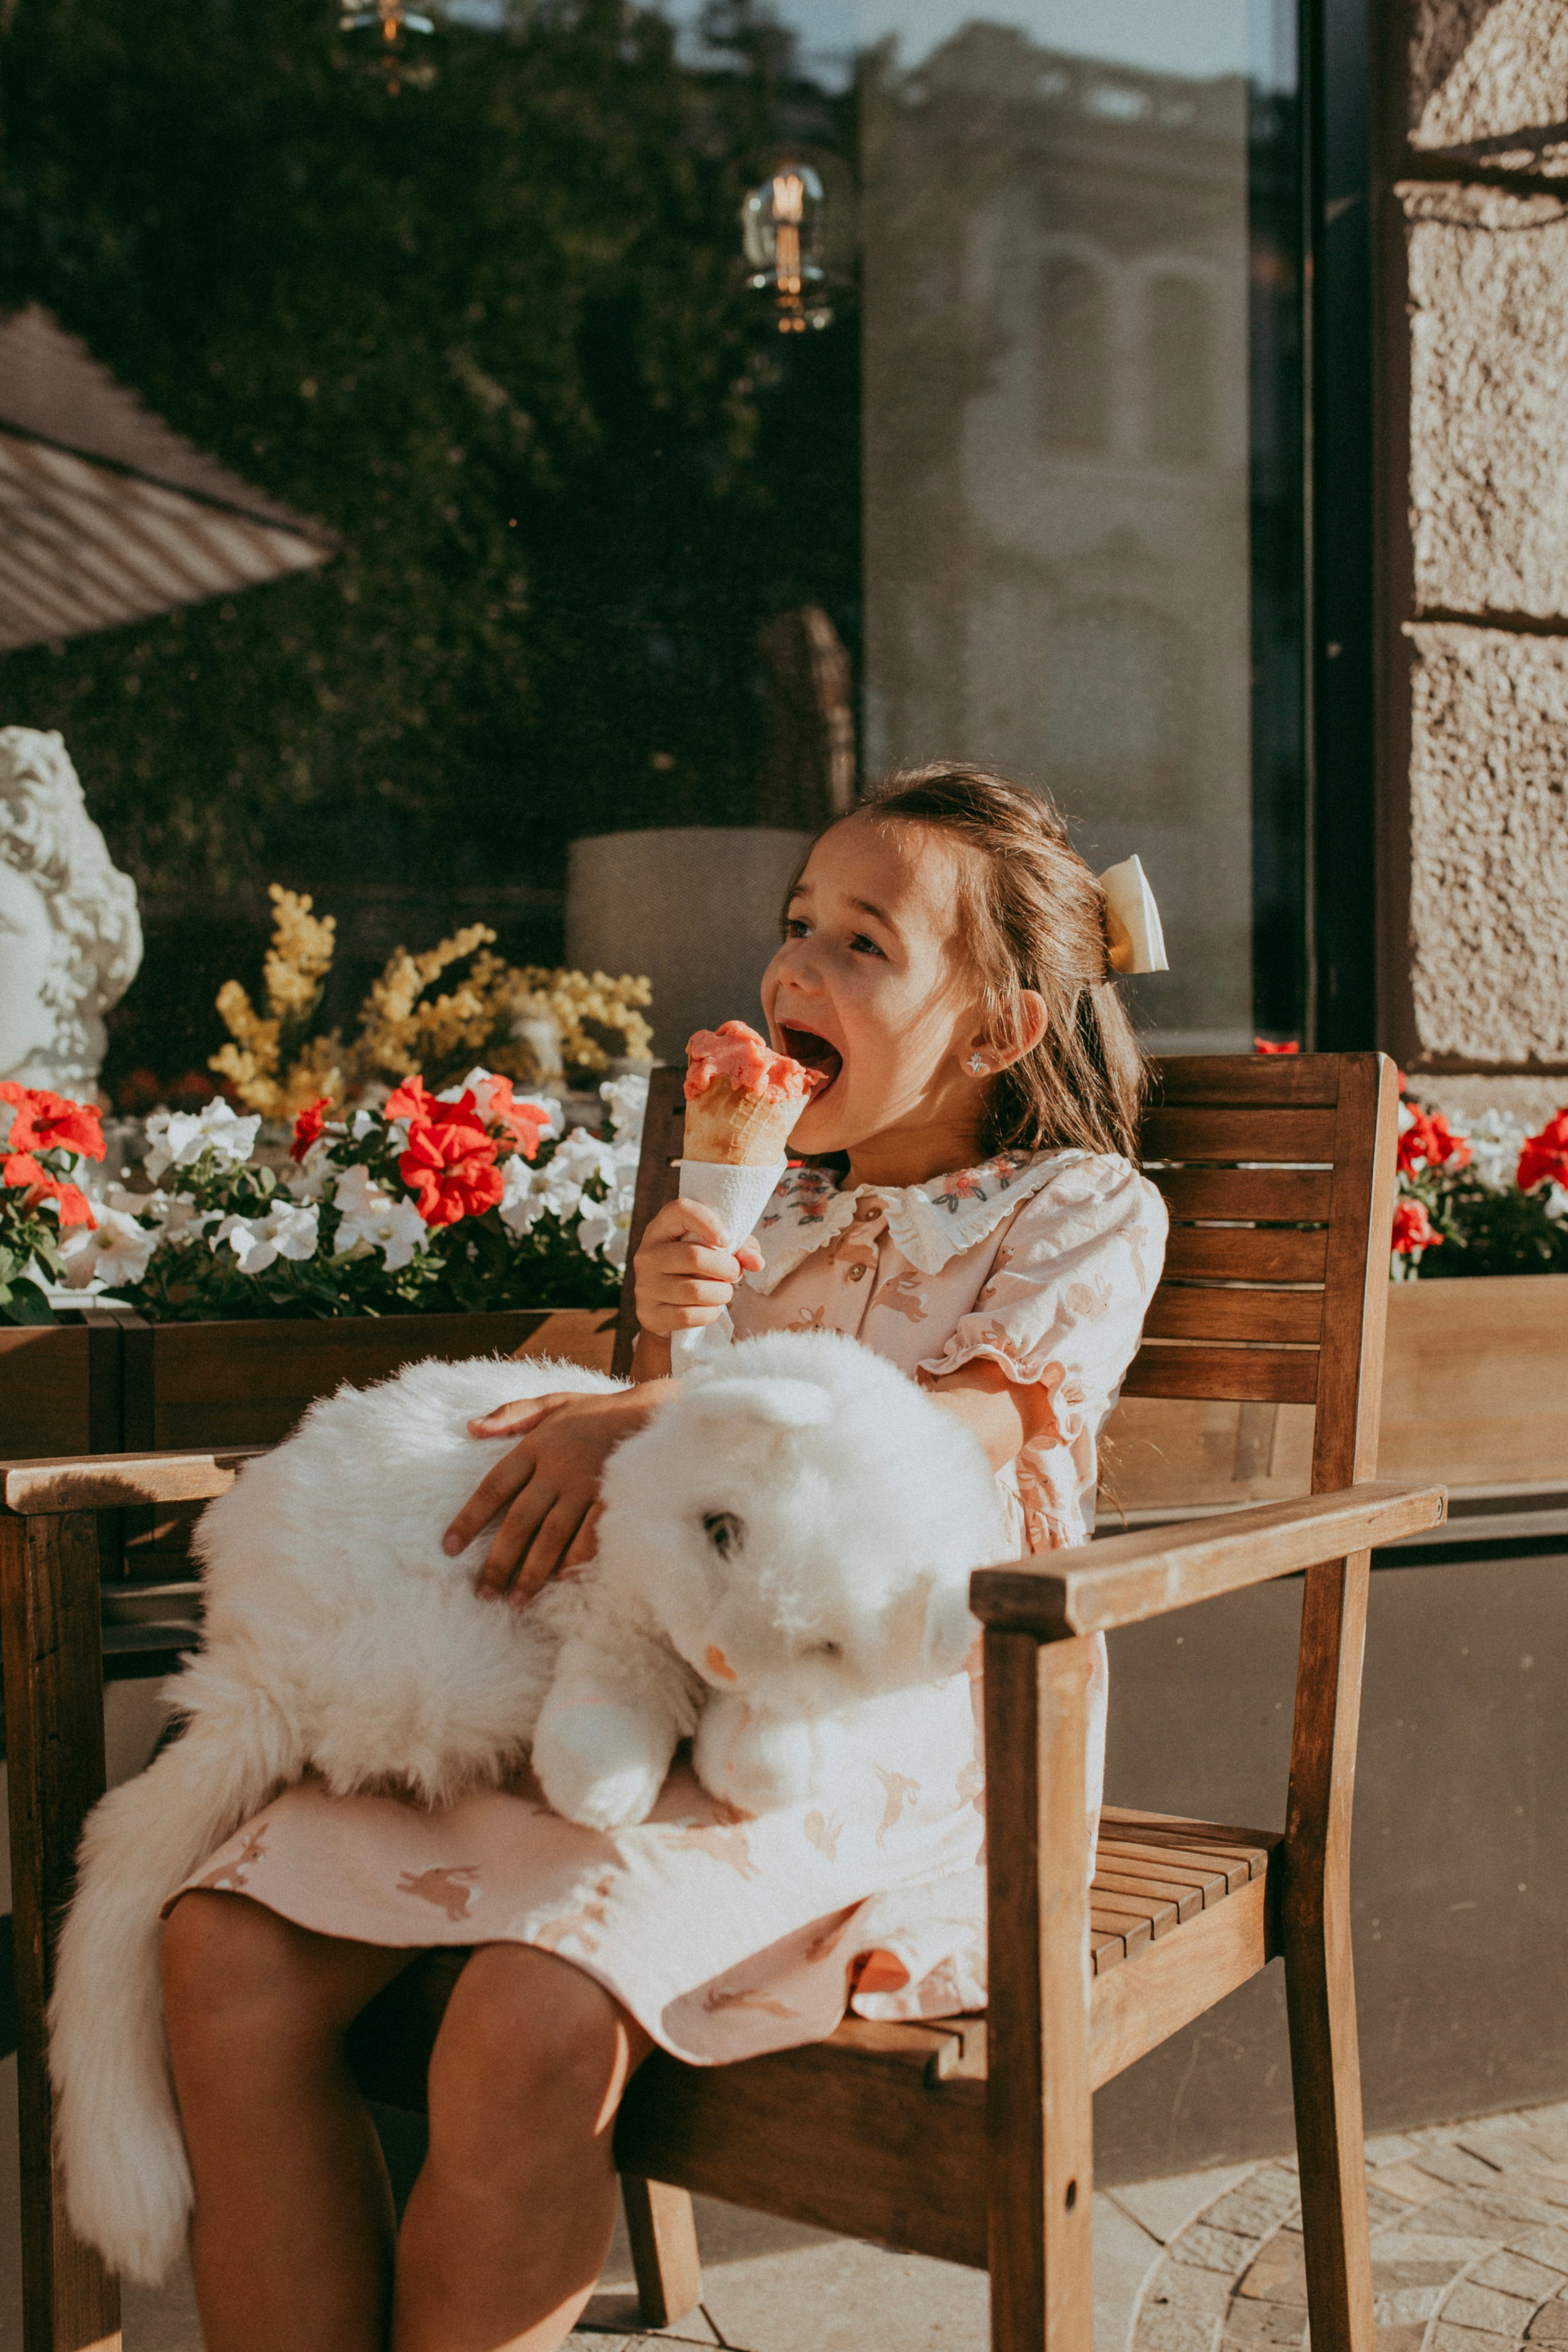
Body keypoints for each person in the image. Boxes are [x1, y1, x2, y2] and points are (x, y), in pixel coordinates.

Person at [159, 766, 1168, 2352]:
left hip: (883, 1725)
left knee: (524, 2020)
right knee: (220, 1953)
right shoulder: (763, 1211)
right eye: (795, 925)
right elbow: (647, 1501)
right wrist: (666, 1328)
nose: (794, 970)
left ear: (996, 1034)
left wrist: (650, 1409)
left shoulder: (1082, 1209)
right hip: (634, 1698)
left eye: (862, 943)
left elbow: (934, 1451)